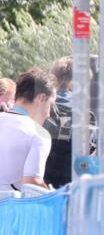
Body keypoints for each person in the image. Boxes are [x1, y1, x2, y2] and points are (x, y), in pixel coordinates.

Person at [0, 68, 56, 191]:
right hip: (18, 208)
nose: (48, 114)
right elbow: (31, 183)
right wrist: (56, 197)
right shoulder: (39, 134)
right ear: (41, 98)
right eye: (50, 105)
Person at [43, 57, 75, 188]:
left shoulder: (42, 104)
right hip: (72, 187)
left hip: (41, 187)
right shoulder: (83, 107)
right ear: (72, 82)